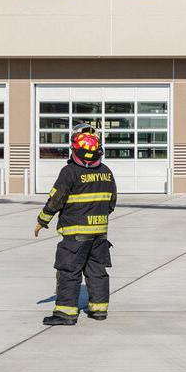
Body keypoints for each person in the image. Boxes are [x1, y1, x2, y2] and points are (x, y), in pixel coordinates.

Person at [34, 126, 117, 325]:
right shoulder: (106, 172)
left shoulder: (69, 172)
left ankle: (66, 313)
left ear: (74, 149)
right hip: (100, 234)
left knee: (69, 271)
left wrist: (42, 221)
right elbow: (111, 203)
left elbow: (56, 200)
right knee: (97, 271)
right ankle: (98, 310)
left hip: (75, 234)